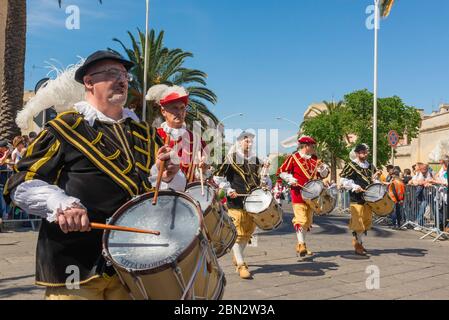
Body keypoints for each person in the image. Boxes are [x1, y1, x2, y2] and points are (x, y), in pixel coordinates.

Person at [4, 50, 186, 300]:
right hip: (75, 265)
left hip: (131, 264)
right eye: (112, 73)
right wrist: (61, 204)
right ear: (88, 82)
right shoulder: (64, 128)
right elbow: (21, 183)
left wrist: (167, 176)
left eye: (124, 75)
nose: (122, 79)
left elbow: (158, 186)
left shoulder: (145, 132)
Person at [213, 131, 263, 279]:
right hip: (236, 201)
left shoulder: (256, 160)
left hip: (252, 202)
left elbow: (259, 179)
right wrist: (228, 189)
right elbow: (218, 176)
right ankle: (241, 265)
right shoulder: (231, 158)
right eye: (247, 141)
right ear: (240, 142)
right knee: (238, 233)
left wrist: (265, 183)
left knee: (247, 232)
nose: (250, 143)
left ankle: (237, 256)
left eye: (251, 141)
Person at [277, 136, 329, 257]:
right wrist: (290, 179)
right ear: (306, 146)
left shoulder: (315, 159)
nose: (314, 148)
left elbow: (323, 175)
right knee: (301, 219)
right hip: (298, 192)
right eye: (312, 146)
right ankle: (301, 244)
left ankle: (302, 243)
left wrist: (322, 168)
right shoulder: (294, 157)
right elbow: (281, 171)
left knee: (308, 221)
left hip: (312, 195)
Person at [146, 84, 208, 183]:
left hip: (188, 195)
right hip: (158, 193)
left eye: (182, 108)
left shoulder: (196, 139)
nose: (179, 112)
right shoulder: (152, 135)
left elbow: (203, 173)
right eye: (174, 108)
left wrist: (203, 167)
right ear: (163, 111)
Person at [340, 144, 379, 256]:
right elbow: (343, 180)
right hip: (356, 198)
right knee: (358, 222)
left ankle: (358, 241)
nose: (365, 154)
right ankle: (359, 244)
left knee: (366, 222)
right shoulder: (351, 165)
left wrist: (377, 184)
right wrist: (354, 186)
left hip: (368, 199)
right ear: (357, 153)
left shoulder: (371, 166)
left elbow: (374, 180)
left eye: (366, 152)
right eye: (363, 152)